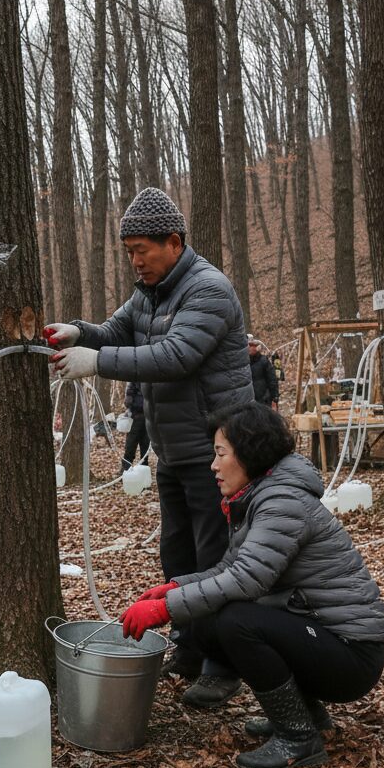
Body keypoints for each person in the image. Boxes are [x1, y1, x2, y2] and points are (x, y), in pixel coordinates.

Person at [46, 187, 253, 702]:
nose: (135, 261)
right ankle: (189, 646)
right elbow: (116, 330)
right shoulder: (149, 293)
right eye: (128, 252)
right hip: (174, 451)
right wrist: (79, 333)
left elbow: (176, 356)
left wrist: (97, 363)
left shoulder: (208, 289)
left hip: (216, 453)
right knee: (177, 555)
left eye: (142, 250)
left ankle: (223, 665)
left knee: (216, 558)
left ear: (174, 242)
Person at [120, 402, 384, 768]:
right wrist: (173, 588)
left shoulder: (282, 501)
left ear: (249, 453)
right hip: (324, 637)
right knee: (209, 621)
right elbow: (230, 568)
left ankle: (298, 738)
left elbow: (247, 579)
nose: (213, 466)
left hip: (351, 655)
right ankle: (307, 715)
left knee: (236, 621)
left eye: (220, 453)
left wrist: (166, 609)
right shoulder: (262, 494)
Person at [121, 382, 150, 471]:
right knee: (131, 446)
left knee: (144, 448)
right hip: (136, 418)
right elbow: (128, 400)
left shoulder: (150, 381)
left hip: (147, 419)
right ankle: (125, 470)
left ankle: (142, 472)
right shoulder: (134, 382)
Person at [247, 335, 279, 410]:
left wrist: (275, 397)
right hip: (249, 401)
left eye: (251, 345)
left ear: (257, 347)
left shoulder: (264, 361)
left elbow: (272, 380)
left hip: (264, 401)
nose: (249, 348)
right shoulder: (243, 364)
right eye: (248, 346)